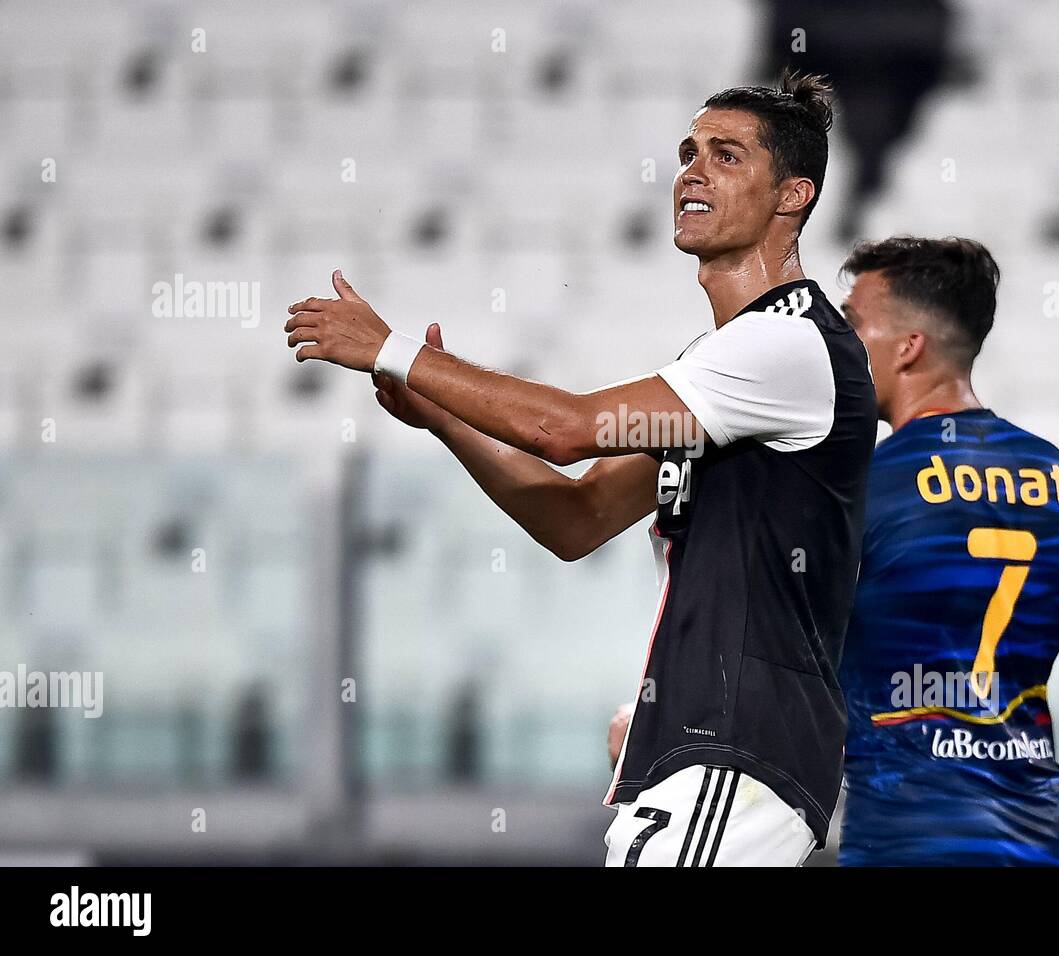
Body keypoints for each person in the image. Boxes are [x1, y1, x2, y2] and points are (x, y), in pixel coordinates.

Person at [284, 71, 877, 866]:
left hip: (735, 755)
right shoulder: (729, 368)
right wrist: (446, 420)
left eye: (727, 156)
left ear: (792, 197)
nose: (692, 173)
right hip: (707, 757)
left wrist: (393, 350)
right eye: (688, 152)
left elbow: (562, 430)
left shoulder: (786, 344)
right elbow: (577, 517)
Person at [835, 236, 1059, 866]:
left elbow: (793, 664)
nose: (839, 348)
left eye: (852, 326)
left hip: (904, 841)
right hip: (1034, 840)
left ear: (909, 348)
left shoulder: (861, 490)